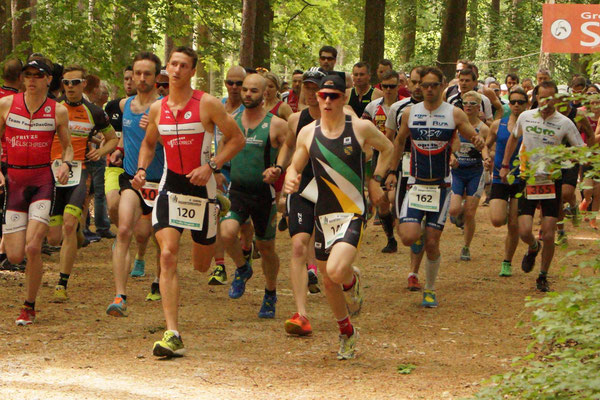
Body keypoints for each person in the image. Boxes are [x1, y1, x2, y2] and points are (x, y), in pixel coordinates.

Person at [136, 46, 245, 357]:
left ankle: (219, 205)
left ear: (193, 71)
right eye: (173, 64)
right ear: (167, 68)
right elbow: (148, 144)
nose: (177, 70)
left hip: (203, 188)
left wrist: (212, 166)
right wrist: (143, 169)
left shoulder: (207, 104)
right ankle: (172, 332)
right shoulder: (158, 108)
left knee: (201, 265)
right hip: (170, 187)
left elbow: (235, 138)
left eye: (184, 65)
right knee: (168, 254)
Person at [284, 73, 393, 360]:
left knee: (334, 271)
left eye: (334, 96)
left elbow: (389, 148)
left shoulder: (360, 128)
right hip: (324, 215)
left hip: (353, 212)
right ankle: (346, 331)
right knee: (328, 280)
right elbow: (295, 165)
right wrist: (291, 179)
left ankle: (350, 280)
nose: (328, 101)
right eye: (323, 96)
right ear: (316, 98)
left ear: (343, 99)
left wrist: (376, 178)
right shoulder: (308, 133)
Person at [393, 67, 484, 308]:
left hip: (442, 187)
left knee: (432, 243)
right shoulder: (409, 114)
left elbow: (469, 133)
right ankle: (419, 230)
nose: (430, 89)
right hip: (415, 184)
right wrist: (391, 172)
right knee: (408, 236)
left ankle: (430, 289)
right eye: (425, 85)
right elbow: (400, 139)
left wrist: (478, 139)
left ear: (442, 86)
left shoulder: (453, 113)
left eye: (434, 85)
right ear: (419, 87)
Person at [0, 58, 73, 325]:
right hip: (14, 183)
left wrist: (65, 163)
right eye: (27, 75)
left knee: (33, 247)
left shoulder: (58, 111)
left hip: (43, 181)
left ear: (48, 80)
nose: (31, 80)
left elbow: (67, 147)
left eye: (37, 75)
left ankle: (28, 306)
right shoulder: (7, 105)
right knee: (15, 255)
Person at [500, 81, 584, 292]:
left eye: (550, 98)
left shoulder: (564, 123)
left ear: (556, 98)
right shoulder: (526, 117)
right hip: (527, 178)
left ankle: (543, 275)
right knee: (525, 231)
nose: (546, 102)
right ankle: (532, 247)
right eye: (542, 98)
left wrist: (568, 161)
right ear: (536, 98)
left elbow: (579, 150)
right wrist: (504, 164)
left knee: (548, 234)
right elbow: (513, 138)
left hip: (551, 181)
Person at [220, 73, 289, 319]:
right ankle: (242, 268)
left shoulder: (276, 124)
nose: (247, 94)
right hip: (237, 190)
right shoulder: (231, 120)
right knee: (227, 232)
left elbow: (288, 147)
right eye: (245, 89)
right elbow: (223, 147)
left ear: (265, 94)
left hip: (263, 194)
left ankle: (270, 293)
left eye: (253, 91)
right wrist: (217, 169)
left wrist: (278, 168)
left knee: (266, 247)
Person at [47, 65, 117, 302]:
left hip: (79, 173)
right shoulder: (52, 108)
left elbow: (112, 138)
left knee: (66, 225)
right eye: (66, 83)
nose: (70, 87)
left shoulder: (94, 112)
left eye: (75, 82)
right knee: (53, 238)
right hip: (52, 173)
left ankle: (61, 284)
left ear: (84, 84)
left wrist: (100, 152)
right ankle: (77, 230)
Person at [106, 52, 165, 317]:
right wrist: (119, 150)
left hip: (161, 181)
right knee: (124, 231)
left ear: (156, 77)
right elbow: (125, 137)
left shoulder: (165, 107)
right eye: (137, 73)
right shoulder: (124, 105)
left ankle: (158, 281)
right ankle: (120, 295)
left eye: (147, 74)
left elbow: (176, 145)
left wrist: (158, 131)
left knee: (156, 238)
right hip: (132, 178)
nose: (141, 79)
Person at [282, 68, 326, 336]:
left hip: (333, 193)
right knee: (299, 245)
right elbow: (289, 146)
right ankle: (302, 314)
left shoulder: (347, 120)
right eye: (306, 87)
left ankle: (348, 281)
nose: (310, 93)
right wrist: (282, 170)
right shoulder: (296, 120)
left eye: (316, 87)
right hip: (302, 189)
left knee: (329, 260)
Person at [385, 66, 425, 291]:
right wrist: (389, 170)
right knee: (405, 230)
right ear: (408, 84)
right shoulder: (398, 109)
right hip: (403, 168)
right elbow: (390, 141)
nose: (419, 87)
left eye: (424, 83)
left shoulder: (442, 110)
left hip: (429, 171)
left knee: (421, 225)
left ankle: (414, 272)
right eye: (415, 82)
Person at [206, 65, 246, 285]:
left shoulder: (249, 109)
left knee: (244, 223)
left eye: (239, 83)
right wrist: (215, 167)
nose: (234, 87)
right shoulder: (217, 106)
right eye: (230, 82)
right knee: (217, 215)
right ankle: (219, 266)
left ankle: (247, 248)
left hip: (243, 169)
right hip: (218, 168)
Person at [487, 87, 528, 277]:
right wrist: (486, 157)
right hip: (499, 176)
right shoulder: (498, 124)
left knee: (514, 224)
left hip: (521, 177)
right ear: (509, 104)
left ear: (527, 104)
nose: (517, 105)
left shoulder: (530, 125)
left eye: (521, 102)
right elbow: (486, 145)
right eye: (513, 102)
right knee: (497, 220)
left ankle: (507, 261)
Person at [447, 90, 491, 261]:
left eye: (473, 104)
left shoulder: (483, 128)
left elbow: (485, 148)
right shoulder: (455, 126)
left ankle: (466, 247)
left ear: (479, 107)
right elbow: (449, 146)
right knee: (454, 209)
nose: (469, 107)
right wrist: (451, 157)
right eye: (466, 103)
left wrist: (486, 159)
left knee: (470, 213)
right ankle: (458, 214)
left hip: (475, 173)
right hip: (457, 172)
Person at [362, 69, 400, 253]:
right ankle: (390, 238)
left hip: (401, 155)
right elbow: (364, 130)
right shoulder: (372, 107)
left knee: (395, 196)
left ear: (398, 86)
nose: (388, 90)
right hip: (380, 155)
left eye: (392, 86)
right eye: (385, 86)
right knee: (383, 201)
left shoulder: (404, 106)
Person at [0, 58, 23, 271]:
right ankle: (7, 253)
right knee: (12, 206)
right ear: (21, 77)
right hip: (11, 159)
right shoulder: (16, 101)